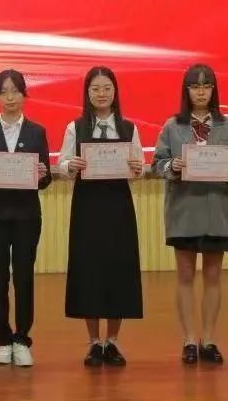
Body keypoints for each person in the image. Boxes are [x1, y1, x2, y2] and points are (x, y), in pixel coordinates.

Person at [152, 64, 228, 365]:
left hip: (217, 209)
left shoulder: (227, 127)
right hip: (184, 209)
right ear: (187, 91)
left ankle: (209, 339)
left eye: (206, 86)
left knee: (214, 276)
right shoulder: (172, 126)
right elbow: (157, 164)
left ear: (214, 90)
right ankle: (189, 340)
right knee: (185, 275)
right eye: (195, 86)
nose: (201, 91)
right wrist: (172, 167)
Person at [58, 67, 145, 367]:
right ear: (87, 93)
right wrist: (71, 165)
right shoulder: (75, 127)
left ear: (115, 91)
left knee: (119, 269)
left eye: (107, 88)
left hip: (119, 206)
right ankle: (95, 342)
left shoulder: (129, 128)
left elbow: (139, 167)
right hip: (87, 206)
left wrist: (137, 169)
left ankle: (114, 341)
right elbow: (62, 165)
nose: (101, 94)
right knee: (89, 270)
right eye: (95, 89)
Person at [0, 69, 52, 368]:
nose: (10, 97)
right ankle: (3, 339)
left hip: (26, 216)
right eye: (4, 92)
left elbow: (45, 180)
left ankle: (22, 338)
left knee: (24, 276)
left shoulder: (37, 132)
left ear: (23, 94)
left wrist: (42, 174)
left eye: (15, 91)